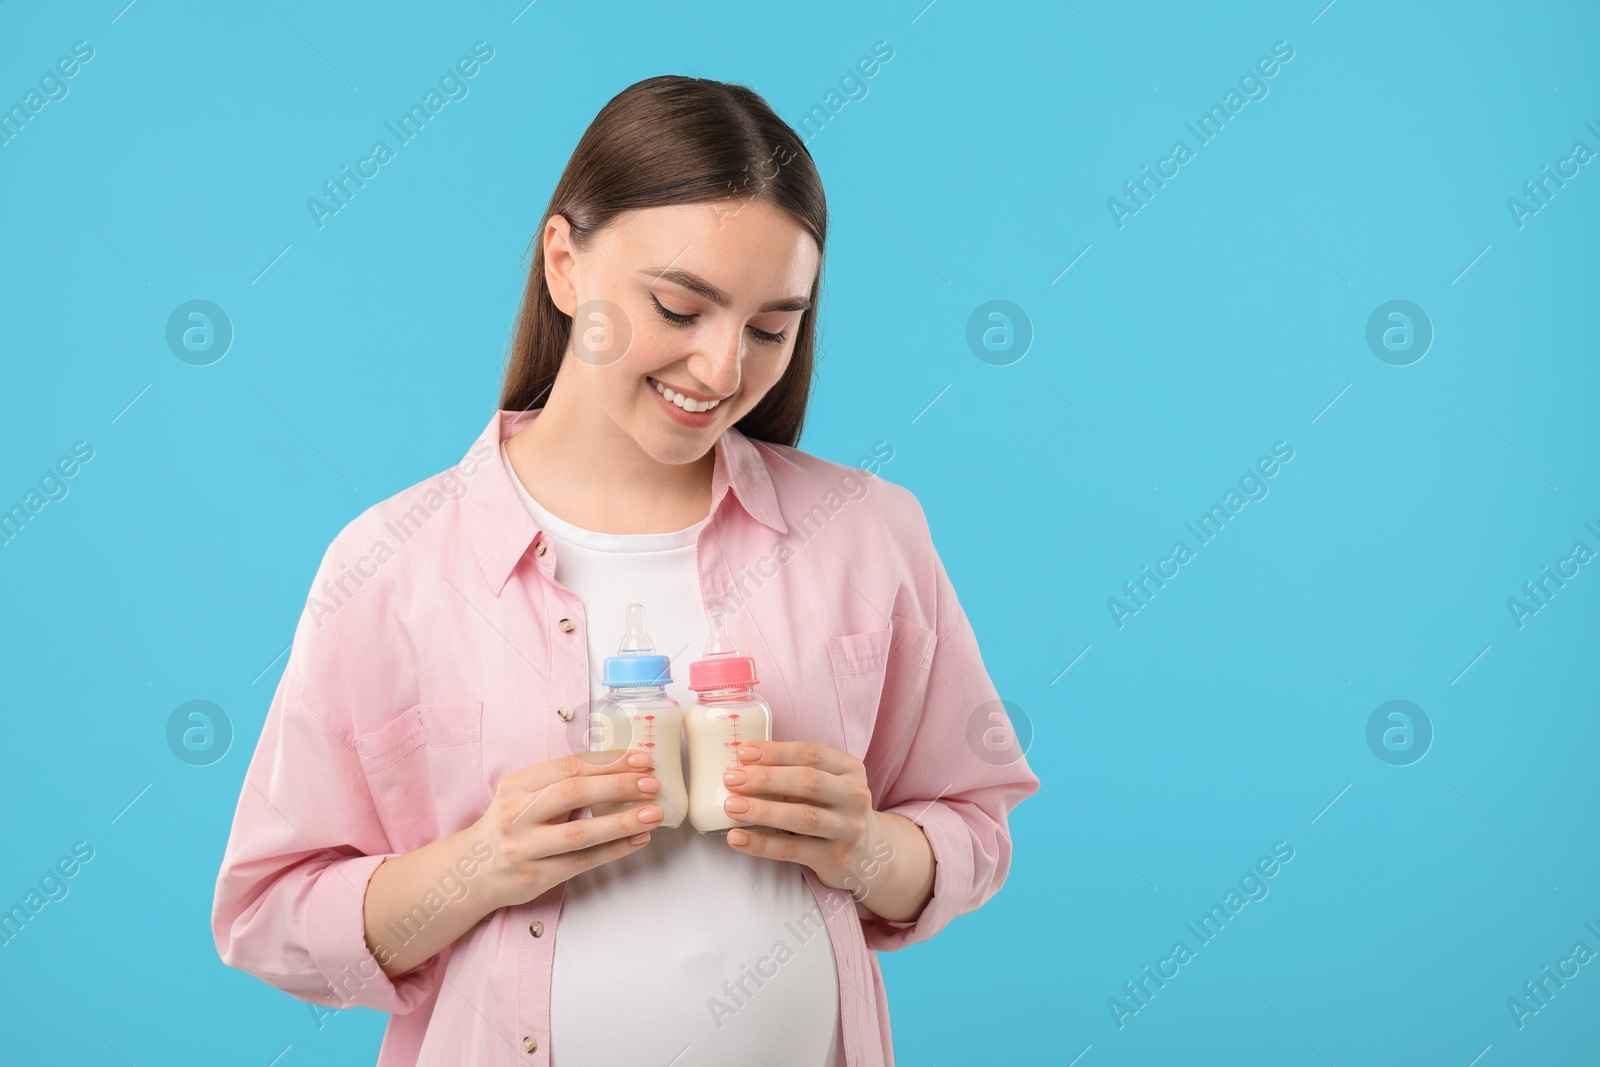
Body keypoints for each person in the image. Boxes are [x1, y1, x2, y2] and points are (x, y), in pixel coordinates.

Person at [211, 74, 1038, 1067]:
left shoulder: (865, 532)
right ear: (564, 263)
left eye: (773, 327)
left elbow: (972, 821)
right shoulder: (391, 566)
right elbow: (266, 912)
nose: (725, 368)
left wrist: (866, 849)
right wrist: (478, 864)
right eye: (680, 305)